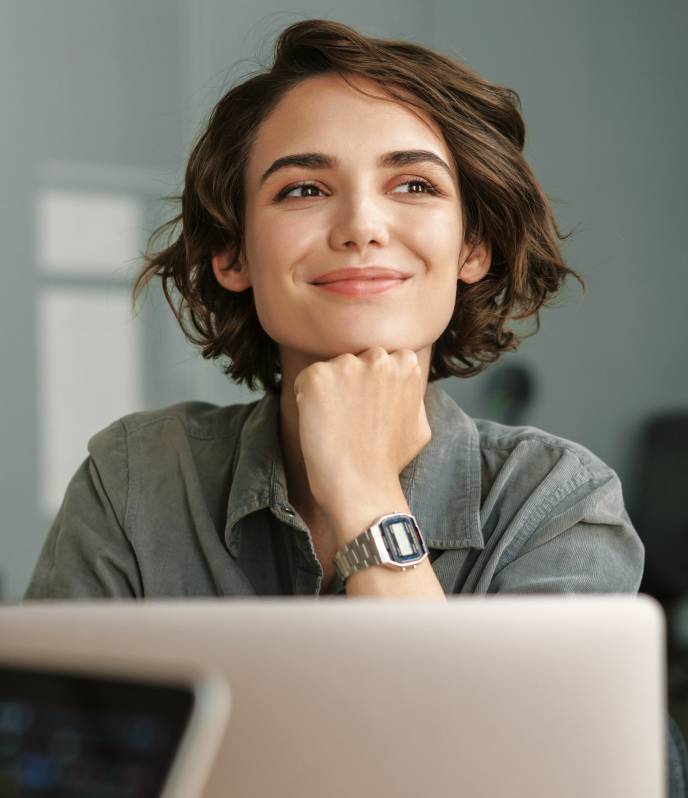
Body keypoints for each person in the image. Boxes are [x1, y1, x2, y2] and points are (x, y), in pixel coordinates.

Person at [23, 18, 686, 793]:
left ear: (474, 248)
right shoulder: (134, 479)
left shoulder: (557, 504)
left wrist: (365, 495)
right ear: (233, 254)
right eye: (304, 189)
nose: (362, 227)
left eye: (414, 185)